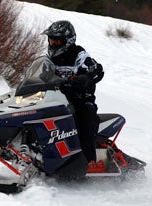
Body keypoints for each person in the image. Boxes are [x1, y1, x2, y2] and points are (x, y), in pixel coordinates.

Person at [41, 20, 104, 170]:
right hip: (57, 99)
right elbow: (41, 73)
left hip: (81, 100)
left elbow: (97, 70)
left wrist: (86, 78)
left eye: (57, 40)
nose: (53, 43)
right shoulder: (49, 58)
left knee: (85, 120)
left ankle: (90, 163)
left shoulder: (79, 54)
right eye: (51, 40)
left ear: (67, 41)